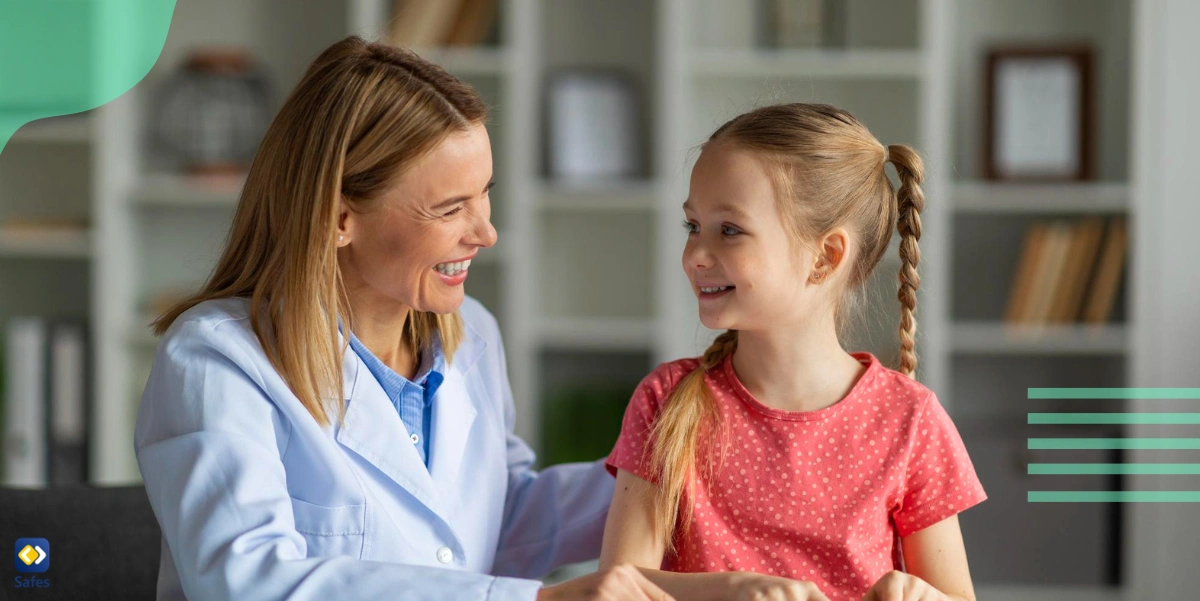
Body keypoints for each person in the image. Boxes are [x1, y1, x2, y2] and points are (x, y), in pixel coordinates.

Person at [135, 36, 673, 601]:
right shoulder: (216, 362)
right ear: (339, 218)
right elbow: (246, 582)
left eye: (484, 194)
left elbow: (498, 519)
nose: (486, 232)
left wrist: (670, 471)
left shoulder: (472, 335)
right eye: (450, 208)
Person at [600, 104, 987, 601]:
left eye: (730, 230)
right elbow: (618, 587)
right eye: (693, 226)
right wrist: (733, 590)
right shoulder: (665, 400)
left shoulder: (911, 420)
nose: (696, 253)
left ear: (825, 257)